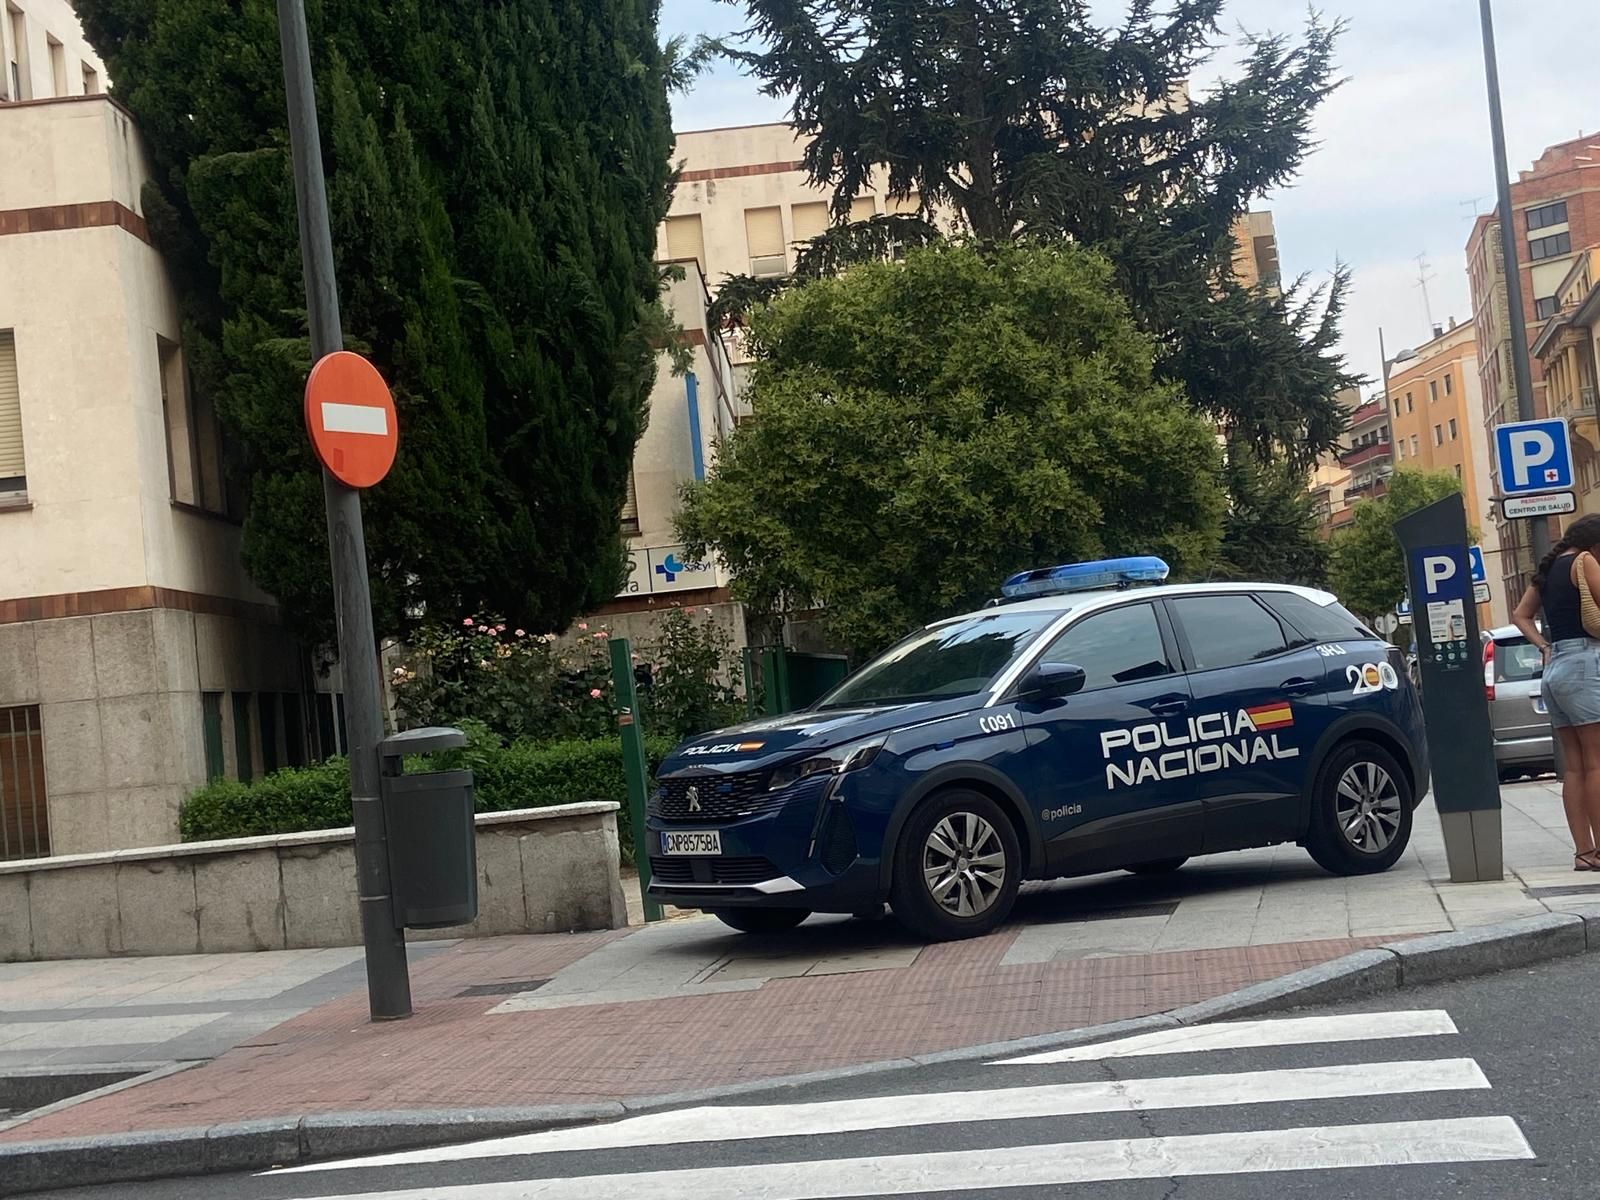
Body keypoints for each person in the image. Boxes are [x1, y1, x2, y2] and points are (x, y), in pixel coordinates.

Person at [1512, 513, 1600, 870]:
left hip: (1556, 668)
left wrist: (1545, 647)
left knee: (1575, 767)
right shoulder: (1585, 562)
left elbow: (1520, 615)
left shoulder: (1548, 570)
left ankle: (1584, 852)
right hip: (1585, 664)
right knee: (1597, 762)